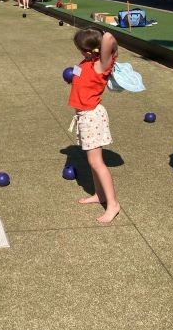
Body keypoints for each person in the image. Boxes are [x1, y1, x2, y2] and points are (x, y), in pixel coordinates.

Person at [68, 28, 121, 223]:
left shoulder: (102, 64)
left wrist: (101, 37)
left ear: (90, 51)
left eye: (81, 49)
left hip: (92, 116)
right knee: (92, 162)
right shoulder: (88, 63)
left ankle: (113, 204)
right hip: (83, 115)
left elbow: (108, 38)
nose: (80, 53)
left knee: (96, 162)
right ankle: (99, 194)